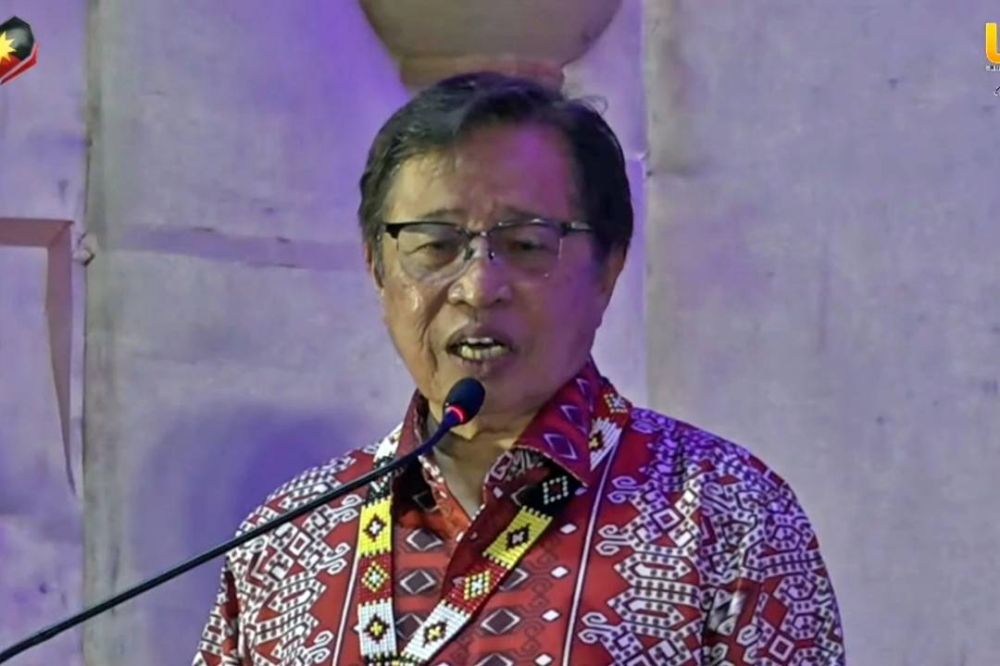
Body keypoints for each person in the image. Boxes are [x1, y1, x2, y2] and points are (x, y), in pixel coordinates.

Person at [192, 72, 845, 666]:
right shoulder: (289, 537)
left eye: (526, 245)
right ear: (378, 269)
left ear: (608, 269)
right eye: (437, 246)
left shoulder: (723, 513)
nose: (478, 287)